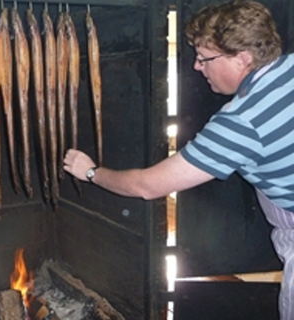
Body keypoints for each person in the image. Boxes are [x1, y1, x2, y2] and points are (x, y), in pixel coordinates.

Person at [63, 0, 294, 319]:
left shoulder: (242, 122)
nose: (198, 67)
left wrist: (90, 171)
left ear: (243, 58)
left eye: (204, 58)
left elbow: (147, 186)